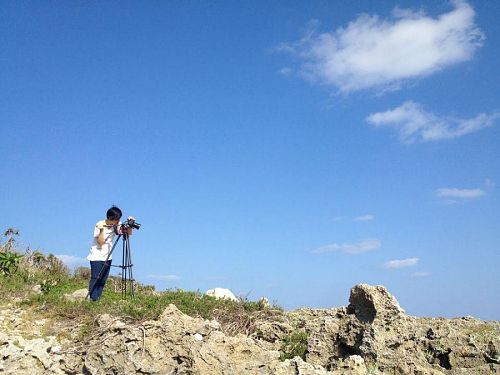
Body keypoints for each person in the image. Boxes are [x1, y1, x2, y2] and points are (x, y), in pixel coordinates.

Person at [87, 206, 133, 301]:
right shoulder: (99, 224)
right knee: (96, 278)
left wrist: (130, 225)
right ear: (110, 218)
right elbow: (100, 242)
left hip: (108, 256)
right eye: (116, 219)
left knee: (103, 280)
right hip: (96, 256)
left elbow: (127, 234)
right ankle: (93, 300)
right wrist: (101, 230)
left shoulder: (117, 225)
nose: (118, 221)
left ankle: (97, 299)